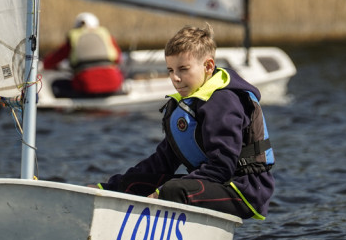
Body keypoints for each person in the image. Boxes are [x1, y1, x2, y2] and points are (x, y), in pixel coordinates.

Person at [95, 24, 275, 220]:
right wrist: (110, 188)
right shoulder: (187, 104)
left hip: (244, 189)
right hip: (214, 183)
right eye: (170, 70)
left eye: (183, 69)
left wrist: (161, 194)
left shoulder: (223, 102)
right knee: (133, 184)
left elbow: (222, 167)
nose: (175, 78)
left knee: (173, 191)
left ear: (208, 66)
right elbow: (163, 162)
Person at [43, 12, 125, 97]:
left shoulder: (74, 37)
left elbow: (50, 61)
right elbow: (118, 59)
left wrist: (48, 65)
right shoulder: (106, 36)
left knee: (56, 85)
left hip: (86, 87)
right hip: (113, 84)